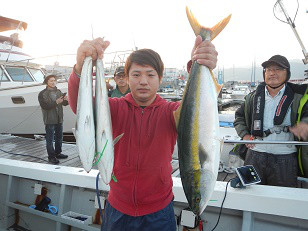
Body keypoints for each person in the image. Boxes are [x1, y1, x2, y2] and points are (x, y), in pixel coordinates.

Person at [68, 36, 218, 231]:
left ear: (160, 78)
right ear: (127, 77)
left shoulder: (172, 112)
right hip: (117, 208)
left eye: (150, 75)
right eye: (136, 75)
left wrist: (199, 65)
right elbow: (79, 105)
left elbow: (198, 112)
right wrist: (80, 68)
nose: (143, 82)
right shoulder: (112, 108)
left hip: (159, 211)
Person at [234, 55, 308, 187]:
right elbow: (239, 117)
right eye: (268, 70)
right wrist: (245, 135)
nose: (272, 73)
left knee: (282, 199)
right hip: (255, 155)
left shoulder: (299, 97)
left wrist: (305, 125)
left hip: (285, 157)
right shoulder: (252, 98)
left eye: (278, 69)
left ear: (287, 74)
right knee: (251, 195)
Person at [38, 75, 69, 164]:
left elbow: (64, 104)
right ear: (47, 82)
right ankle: (51, 157)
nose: (53, 82)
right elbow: (45, 106)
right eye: (51, 80)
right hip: (50, 119)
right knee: (50, 139)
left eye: (54, 80)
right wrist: (56, 102)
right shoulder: (42, 93)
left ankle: (58, 153)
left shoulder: (59, 91)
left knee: (59, 137)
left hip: (59, 119)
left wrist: (67, 100)